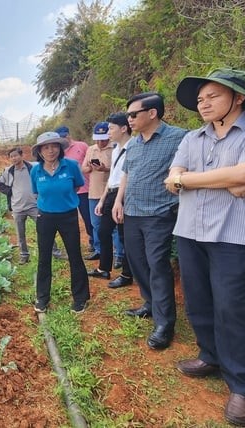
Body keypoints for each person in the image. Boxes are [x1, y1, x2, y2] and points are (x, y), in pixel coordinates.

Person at [164, 68, 245, 426]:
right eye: (200, 99)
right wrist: (226, 180)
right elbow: (171, 181)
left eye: (212, 96)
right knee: (199, 302)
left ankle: (243, 386)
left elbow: (242, 175)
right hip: (188, 231)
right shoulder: (191, 138)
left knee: (232, 309)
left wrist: (194, 180)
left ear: (238, 97)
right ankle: (210, 356)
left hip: (233, 236)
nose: (203, 104)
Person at [112, 92, 186, 350]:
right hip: (132, 212)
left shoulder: (178, 137)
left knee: (158, 265)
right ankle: (149, 303)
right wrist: (119, 201)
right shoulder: (132, 143)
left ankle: (165, 323)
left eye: (133, 114)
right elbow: (126, 174)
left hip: (159, 214)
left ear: (152, 113)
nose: (129, 119)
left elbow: (187, 169)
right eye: (128, 115)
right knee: (138, 262)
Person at [30, 132, 90, 314]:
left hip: (68, 217)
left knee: (74, 256)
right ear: (39, 151)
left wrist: (64, 199)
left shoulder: (71, 166)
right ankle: (42, 298)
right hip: (45, 217)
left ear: (60, 148)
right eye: (45, 147)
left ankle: (80, 298)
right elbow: (36, 192)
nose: (50, 151)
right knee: (44, 258)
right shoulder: (35, 170)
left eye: (54, 146)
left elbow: (77, 186)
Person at [0, 147, 64, 264]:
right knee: (20, 234)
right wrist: (9, 191)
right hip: (17, 208)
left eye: (16, 155)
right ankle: (24, 255)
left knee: (45, 230)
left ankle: (55, 252)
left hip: (34, 206)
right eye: (11, 157)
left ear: (21, 156)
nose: (14, 158)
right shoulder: (8, 171)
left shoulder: (33, 167)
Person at [93, 113, 134, 288]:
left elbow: (127, 177)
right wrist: (102, 200)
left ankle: (127, 274)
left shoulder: (133, 147)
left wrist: (118, 200)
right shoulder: (117, 148)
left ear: (123, 128)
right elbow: (113, 177)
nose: (108, 132)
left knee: (125, 236)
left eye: (111, 128)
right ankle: (104, 268)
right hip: (111, 193)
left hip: (124, 194)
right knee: (103, 231)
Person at [56, 125, 95, 257]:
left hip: (87, 188)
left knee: (91, 217)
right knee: (78, 218)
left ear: (69, 135)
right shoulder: (57, 152)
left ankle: (95, 240)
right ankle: (85, 241)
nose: (64, 139)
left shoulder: (82, 146)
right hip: (71, 192)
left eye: (65, 135)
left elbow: (91, 160)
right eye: (61, 137)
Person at [81, 122, 113, 276]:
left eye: (104, 139)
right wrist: (90, 167)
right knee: (96, 224)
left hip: (110, 192)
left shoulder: (115, 148)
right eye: (98, 139)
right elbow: (84, 168)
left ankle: (118, 255)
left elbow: (121, 170)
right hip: (93, 192)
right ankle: (99, 250)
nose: (100, 142)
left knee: (112, 226)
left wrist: (105, 169)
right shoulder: (90, 149)